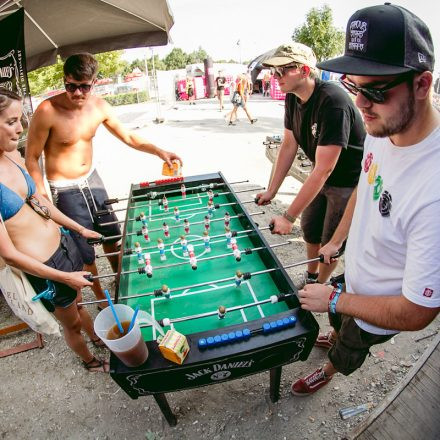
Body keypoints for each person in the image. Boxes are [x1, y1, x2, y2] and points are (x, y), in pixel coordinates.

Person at [292, 3, 440, 396]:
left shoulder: (434, 191)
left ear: (422, 85)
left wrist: (337, 298)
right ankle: (336, 334)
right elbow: (365, 183)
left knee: (350, 345)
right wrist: (338, 240)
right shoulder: (382, 127)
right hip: (354, 278)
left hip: (379, 310)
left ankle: (331, 368)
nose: (360, 104)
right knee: (339, 321)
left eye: (376, 90)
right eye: (354, 86)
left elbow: (417, 312)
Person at [25, 53, 182, 307]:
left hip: (92, 180)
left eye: (83, 87)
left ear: (94, 82)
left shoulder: (99, 106)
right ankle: (101, 298)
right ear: (65, 81)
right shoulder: (47, 110)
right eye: (70, 86)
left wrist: (159, 151)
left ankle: (121, 284)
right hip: (64, 189)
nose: (77, 93)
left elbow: (129, 137)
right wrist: (42, 198)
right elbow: (31, 158)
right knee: (85, 251)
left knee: (112, 237)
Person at [0, 89, 108, 373]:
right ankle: (90, 361)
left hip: (64, 244)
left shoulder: (12, 155)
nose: (21, 128)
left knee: (81, 305)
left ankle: (96, 337)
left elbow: (40, 202)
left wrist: (78, 229)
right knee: (70, 321)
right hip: (46, 268)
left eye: (20, 118)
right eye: (11, 121)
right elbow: (9, 255)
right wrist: (65, 277)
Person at [256, 42, 365, 286]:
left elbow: (326, 168)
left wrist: (287, 216)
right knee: (310, 227)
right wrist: (272, 190)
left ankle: (320, 286)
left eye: (282, 70)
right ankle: (312, 275)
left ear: (305, 71)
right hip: (321, 174)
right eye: (273, 72)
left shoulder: (333, 101)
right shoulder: (292, 97)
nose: (276, 77)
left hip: (348, 181)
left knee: (330, 242)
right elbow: (288, 145)